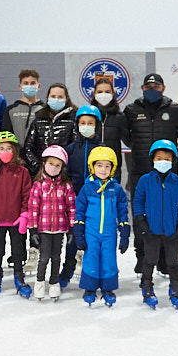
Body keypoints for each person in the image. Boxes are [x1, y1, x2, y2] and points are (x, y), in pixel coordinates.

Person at [123, 73, 178, 273]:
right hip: (140, 171)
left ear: (163, 88)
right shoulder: (131, 110)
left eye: (156, 86)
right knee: (140, 214)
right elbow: (126, 137)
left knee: (166, 214)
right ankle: (142, 257)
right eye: (148, 86)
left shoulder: (174, 110)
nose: (152, 89)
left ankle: (164, 259)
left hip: (167, 174)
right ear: (142, 88)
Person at [134, 140, 178, 309]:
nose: (163, 161)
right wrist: (142, 225)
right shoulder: (145, 180)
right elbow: (138, 202)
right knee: (150, 260)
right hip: (151, 230)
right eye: (159, 158)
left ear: (173, 160)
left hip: (172, 231)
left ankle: (175, 288)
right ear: (152, 159)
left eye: (167, 158)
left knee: (173, 262)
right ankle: (146, 286)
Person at [72, 146, 130, 307]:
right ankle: (89, 288)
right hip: (91, 231)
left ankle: (108, 288)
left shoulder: (116, 189)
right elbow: (80, 210)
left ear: (112, 168)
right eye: (99, 165)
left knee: (109, 259)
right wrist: (78, 230)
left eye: (107, 166)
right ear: (92, 167)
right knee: (91, 258)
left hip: (109, 232)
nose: (103, 169)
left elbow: (122, 210)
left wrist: (124, 229)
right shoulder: (87, 188)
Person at [0, 131, 32, 298]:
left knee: (18, 250)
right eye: (1, 149)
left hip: (17, 219)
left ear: (15, 150)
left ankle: (19, 275)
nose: (5, 152)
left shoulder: (23, 172)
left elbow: (27, 194)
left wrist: (25, 214)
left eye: (8, 148)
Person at [61, 105, 106, 288]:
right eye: (82, 123)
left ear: (96, 125)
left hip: (96, 201)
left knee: (95, 237)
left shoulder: (102, 148)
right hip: (75, 200)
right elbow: (66, 174)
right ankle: (68, 266)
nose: (86, 126)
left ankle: (96, 271)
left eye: (90, 123)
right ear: (77, 125)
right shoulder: (71, 149)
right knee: (73, 235)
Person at [25, 145, 76, 302]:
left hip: (60, 228)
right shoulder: (38, 185)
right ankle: (40, 282)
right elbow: (33, 208)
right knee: (44, 257)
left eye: (57, 165)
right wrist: (33, 230)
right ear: (44, 163)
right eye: (50, 163)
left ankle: (54, 283)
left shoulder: (65, 186)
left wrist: (72, 228)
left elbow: (71, 207)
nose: (53, 168)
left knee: (56, 257)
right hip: (44, 229)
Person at [23, 83, 77, 174]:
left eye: (60, 97)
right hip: (39, 173)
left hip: (63, 175)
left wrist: (61, 169)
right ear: (47, 97)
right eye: (53, 96)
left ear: (66, 99)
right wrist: (39, 167)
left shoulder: (73, 121)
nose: (56, 99)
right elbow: (28, 148)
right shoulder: (38, 120)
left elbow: (75, 150)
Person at [89, 78, 130, 178]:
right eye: (100, 92)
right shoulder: (89, 116)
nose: (103, 94)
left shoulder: (120, 117)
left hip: (113, 169)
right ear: (94, 94)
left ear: (113, 93)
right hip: (91, 167)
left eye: (107, 92)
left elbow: (129, 140)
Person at [1, 69, 44, 143]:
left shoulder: (45, 110)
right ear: (20, 87)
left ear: (38, 86)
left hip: (39, 153)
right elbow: (6, 136)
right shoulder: (10, 110)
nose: (29, 86)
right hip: (16, 153)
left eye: (33, 83)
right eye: (26, 83)